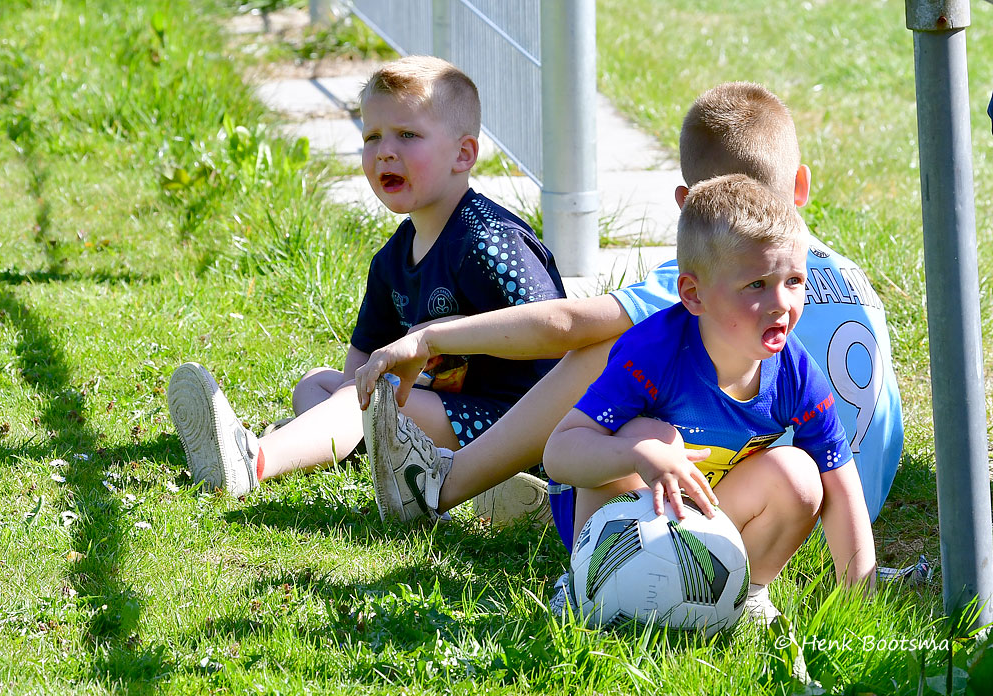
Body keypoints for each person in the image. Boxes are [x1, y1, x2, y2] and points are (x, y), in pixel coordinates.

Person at [356, 82, 903, 541]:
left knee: (611, 346)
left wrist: (431, 338)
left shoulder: (722, 278)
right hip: (850, 504)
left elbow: (565, 323)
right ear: (799, 185)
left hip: (765, 510)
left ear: (688, 205)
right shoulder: (829, 271)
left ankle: (447, 484)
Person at [166, 55, 566, 497]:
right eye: (372, 136)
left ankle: (253, 460)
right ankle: (342, 445)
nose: (385, 151)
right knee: (317, 384)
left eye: (407, 135)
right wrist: (349, 394)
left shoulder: (490, 241)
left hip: (513, 423)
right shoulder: (392, 258)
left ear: (463, 154)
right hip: (435, 409)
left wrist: (445, 336)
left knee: (369, 403)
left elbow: (554, 333)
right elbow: (360, 360)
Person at [542, 175, 876, 624]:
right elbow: (559, 453)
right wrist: (639, 453)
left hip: (702, 514)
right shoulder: (652, 354)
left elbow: (841, 482)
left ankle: (745, 592)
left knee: (799, 475)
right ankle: (590, 584)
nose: (781, 303)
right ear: (693, 294)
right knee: (646, 431)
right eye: (756, 284)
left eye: (794, 280)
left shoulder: (796, 374)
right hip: (623, 516)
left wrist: (861, 607)